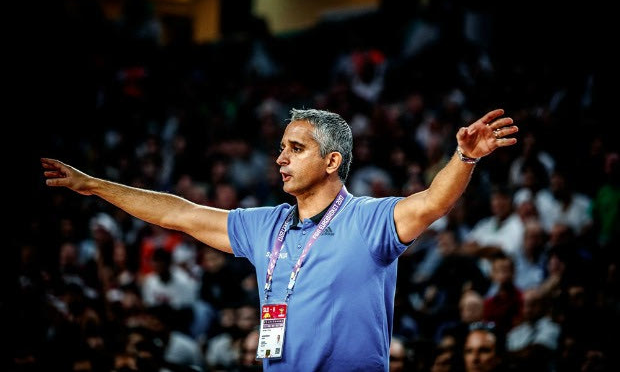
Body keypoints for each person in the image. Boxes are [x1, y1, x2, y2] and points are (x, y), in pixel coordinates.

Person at [41, 107, 518, 371]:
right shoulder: (264, 225)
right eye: (281, 148)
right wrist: (94, 186)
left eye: (295, 148)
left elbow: (431, 202)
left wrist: (465, 158)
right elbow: (179, 213)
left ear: (332, 162)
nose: (280, 159)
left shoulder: (368, 219)